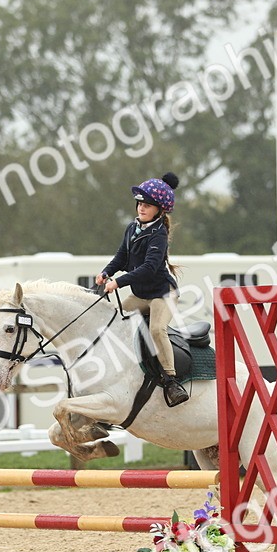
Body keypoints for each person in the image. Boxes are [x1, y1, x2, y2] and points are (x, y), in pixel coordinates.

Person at [95, 171, 188, 407]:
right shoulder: (132, 228)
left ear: (159, 210)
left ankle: (171, 380)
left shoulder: (159, 234)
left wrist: (119, 282)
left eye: (147, 205)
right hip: (140, 294)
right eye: (139, 204)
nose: (141, 208)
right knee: (114, 320)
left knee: (157, 330)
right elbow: (121, 257)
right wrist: (106, 272)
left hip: (162, 294)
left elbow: (149, 268)